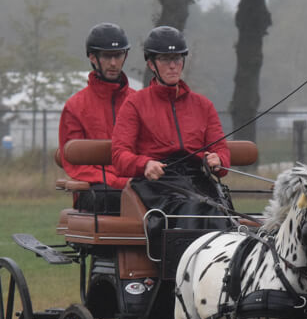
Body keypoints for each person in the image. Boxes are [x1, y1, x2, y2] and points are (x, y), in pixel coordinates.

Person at [112, 26, 232, 230]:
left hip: (198, 180)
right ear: (151, 64)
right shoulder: (135, 104)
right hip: (158, 183)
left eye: (177, 59)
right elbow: (119, 155)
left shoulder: (203, 106)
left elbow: (221, 150)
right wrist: (145, 164)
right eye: (165, 60)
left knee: (220, 211)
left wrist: (218, 159)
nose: (173, 66)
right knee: (194, 210)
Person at [59, 22, 133, 212]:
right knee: (112, 197)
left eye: (118, 55)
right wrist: (117, 181)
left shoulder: (138, 101)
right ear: (93, 57)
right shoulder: (75, 106)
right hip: (96, 189)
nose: (114, 63)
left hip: (134, 183)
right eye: (107, 56)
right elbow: (74, 163)